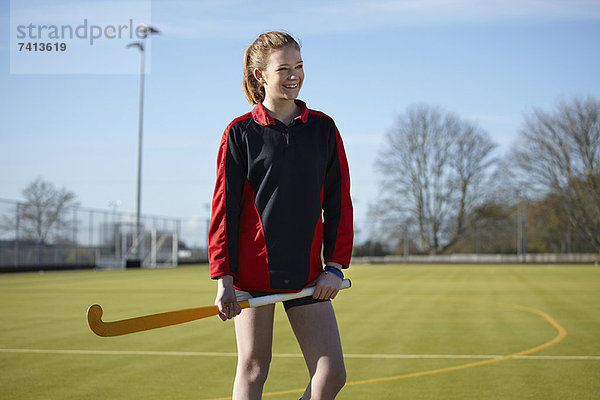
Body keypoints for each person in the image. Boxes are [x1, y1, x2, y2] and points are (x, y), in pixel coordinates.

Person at [208, 31, 353, 400]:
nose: (294, 76)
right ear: (260, 75)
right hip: (253, 274)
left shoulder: (323, 128)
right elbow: (225, 211)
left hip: (308, 274)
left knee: (331, 373)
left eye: (299, 66)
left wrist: (334, 266)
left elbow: (338, 202)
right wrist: (224, 276)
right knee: (254, 369)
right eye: (284, 68)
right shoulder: (239, 133)